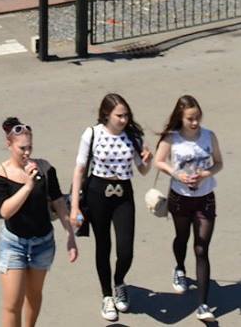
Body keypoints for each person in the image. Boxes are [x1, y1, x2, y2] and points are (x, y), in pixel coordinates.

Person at [72, 93, 149, 321]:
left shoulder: (133, 135)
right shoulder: (92, 133)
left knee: (126, 250)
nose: (124, 120)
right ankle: (107, 296)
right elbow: (79, 169)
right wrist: (75, 206)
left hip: (123, 194)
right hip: (98, 193)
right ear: (107, 114)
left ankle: (119, 282)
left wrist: (148, 160)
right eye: (119, 116)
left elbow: (142, 170)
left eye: (126, 115)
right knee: (103, 246)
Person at [0, 117, 76, 327]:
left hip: (43, 243)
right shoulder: (1, 172)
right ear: (9, 144)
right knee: (13, 303)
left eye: (30, 147)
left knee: (34, 295)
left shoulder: (45, 168)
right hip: (14, 244)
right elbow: (5, 211)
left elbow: (58, 201)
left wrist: (70, 235)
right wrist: (28, 185)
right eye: (22, 148)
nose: (27, 152)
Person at [154, 94, 223, 324]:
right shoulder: (172, 138)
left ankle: (203, 305)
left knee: (201, 248)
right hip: (180, 199)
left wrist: (206, 174)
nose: (195, 122)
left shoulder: (209, 136)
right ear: (180, 118)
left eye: (197, 117)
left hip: (205, 199)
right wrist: (177, 174)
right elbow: (159, 161)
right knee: (182, 237)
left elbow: (219, 162)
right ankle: (180, 268)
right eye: (190, 119)